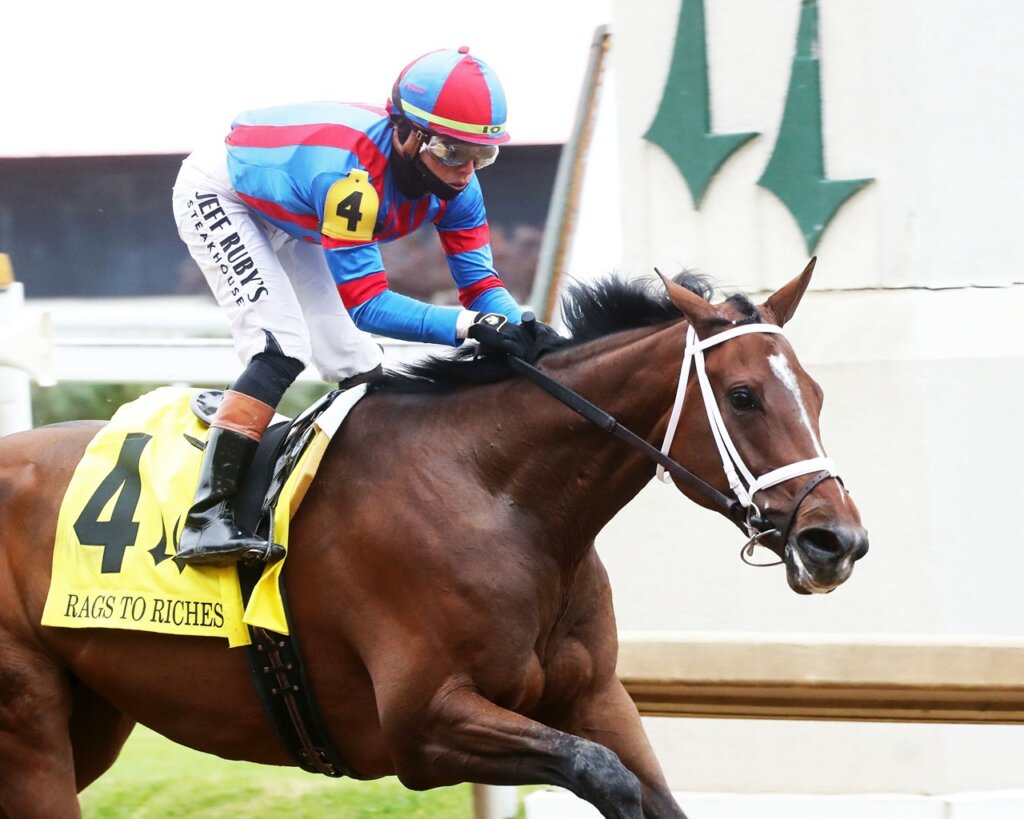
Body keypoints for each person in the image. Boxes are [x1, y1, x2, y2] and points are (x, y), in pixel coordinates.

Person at [171, 47, 543, 566]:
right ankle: (205, 517)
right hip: (224, 195)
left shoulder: (461, 188)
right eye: (452, 153)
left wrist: (517, 322)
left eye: (482, 156)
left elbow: (481, 285)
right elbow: (367, 305)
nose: (464, 173)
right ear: (407, 135)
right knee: (281, 349)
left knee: (356, 363)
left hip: (300, 208)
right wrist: (470, 327)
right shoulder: (353, 181)